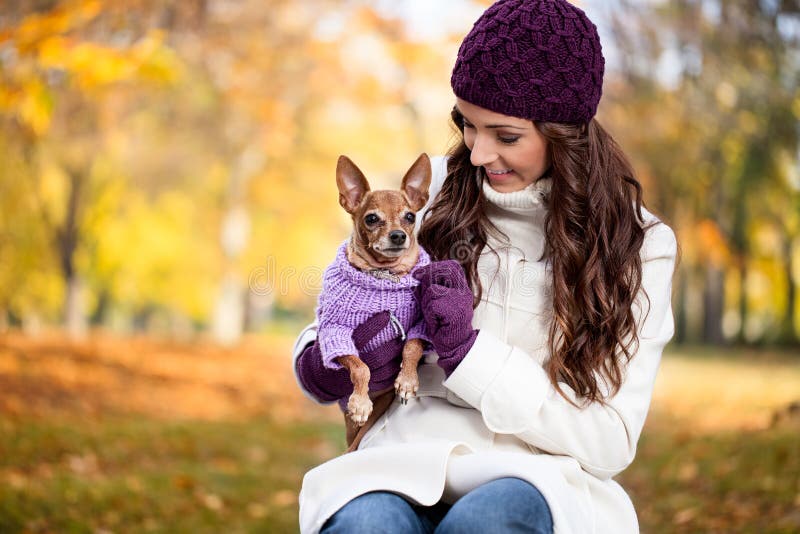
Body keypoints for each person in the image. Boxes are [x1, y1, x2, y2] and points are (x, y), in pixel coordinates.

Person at [292, 0, 678, 532]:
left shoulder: (639, 245)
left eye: (506, 136)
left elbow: (609, 440)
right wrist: (319, 365)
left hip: (533, 475)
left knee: (482, 524)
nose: (475, 155)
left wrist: (470, 354)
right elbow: (341, 308)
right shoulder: (433, 197)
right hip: (400, 459)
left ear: (564, 131)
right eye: (467, 125)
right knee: (367, 525)